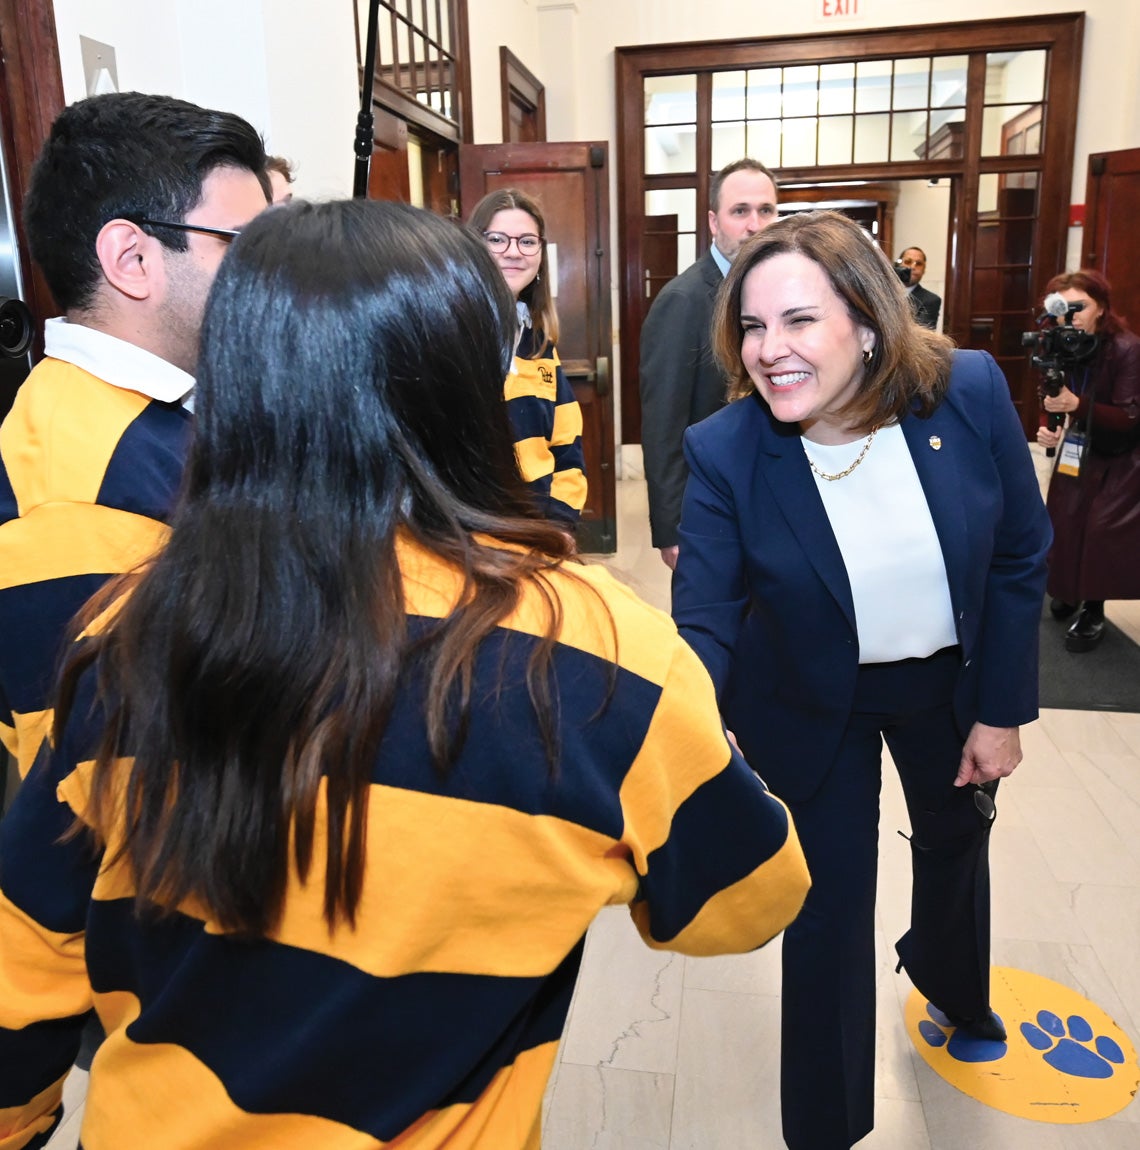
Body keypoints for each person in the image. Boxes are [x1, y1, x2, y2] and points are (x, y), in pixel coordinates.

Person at [0, 198, 810, 1150]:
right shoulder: (604, 659)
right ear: (467, 385)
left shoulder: (127, 636)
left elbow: (25, 975)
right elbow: (746, 903)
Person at [671, 211, 1051, 1150]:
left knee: (957, 846)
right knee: (828, 909)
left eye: (799, 321)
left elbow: (1018, 555)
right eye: (753, 328)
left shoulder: (965, 391)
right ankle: (829, 1128)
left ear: (869, 321)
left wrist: (1001, 712)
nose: (770, 351)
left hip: (942, 685)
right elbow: (708, 617)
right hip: (807, 700)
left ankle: (953, 982)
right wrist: (684, 721)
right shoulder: (727, 449)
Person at [0, 91, 269, 781]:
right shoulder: (75, 494)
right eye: (242, 246)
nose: (266, 277)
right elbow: (100, 795)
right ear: (132, 258)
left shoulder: (170, 413)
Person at [640, 158, 780, 569]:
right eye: (740, 211)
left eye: (766, 211)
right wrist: (672, 529)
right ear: (714, 222)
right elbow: (664, 424)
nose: (755, 225)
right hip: (711, 505)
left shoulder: (778, 291)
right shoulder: (682, 301)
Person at [467, 188, 587, 527]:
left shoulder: (538, 342)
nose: (513, 252)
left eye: (527, 241)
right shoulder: (450, 334)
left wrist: (561, 524)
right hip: (474, 532)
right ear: (474, 246)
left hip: (539, 527)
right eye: (497, 240)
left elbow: (567, 446)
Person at [1036, 269, 1140, 651]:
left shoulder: (1127, 348)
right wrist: (1049, 423)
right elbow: (1050, 389)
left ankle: (1093, 608)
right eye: (1066, 307)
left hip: (1122, 455)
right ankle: (1066, 589)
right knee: (1063, 520)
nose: (1073, 315)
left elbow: (1130, 418)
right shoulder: (1061, 342)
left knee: (1099, 532)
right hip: (1080, 445)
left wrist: (1075, 406)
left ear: (1102, 309)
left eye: (1082, 306)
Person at [897, 245, 941, 330]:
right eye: (908, 262)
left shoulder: (931, 300)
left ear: (924, 270)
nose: (913, 267)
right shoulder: (883, 293)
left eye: (919, 264)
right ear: (898, 265)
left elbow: (922, 334)